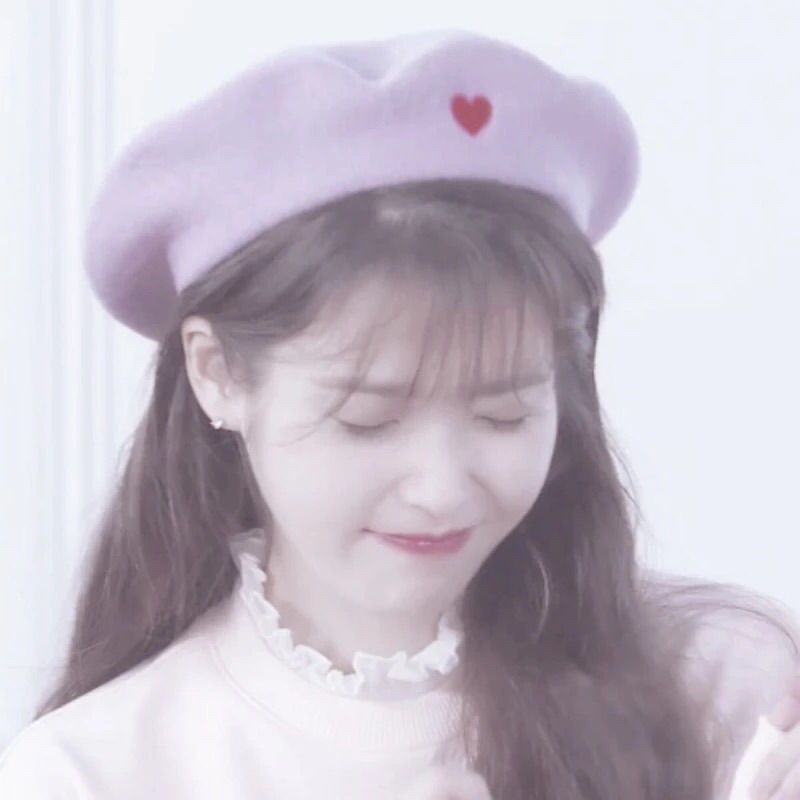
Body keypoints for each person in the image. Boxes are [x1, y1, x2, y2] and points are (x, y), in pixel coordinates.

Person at [1, 26, 798, 800]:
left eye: (504, 414)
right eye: (369, 421)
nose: (442, 489)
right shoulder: (90, 773)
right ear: (218, 373)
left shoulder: (725, 686)